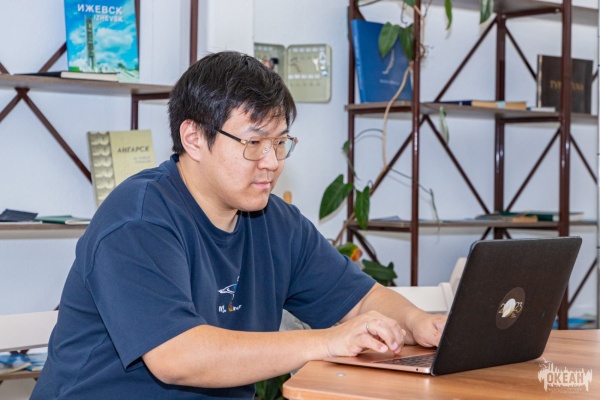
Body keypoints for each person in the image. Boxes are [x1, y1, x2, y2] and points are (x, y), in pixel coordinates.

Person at [31, 51, 446, 400]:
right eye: (253, 143)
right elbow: (177, 356)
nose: (272, 162)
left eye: (280, 142)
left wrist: (417, 322)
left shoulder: (275, 222)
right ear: (194, 138)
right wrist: (326, 341)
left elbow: (359, 298)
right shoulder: (138, 220)